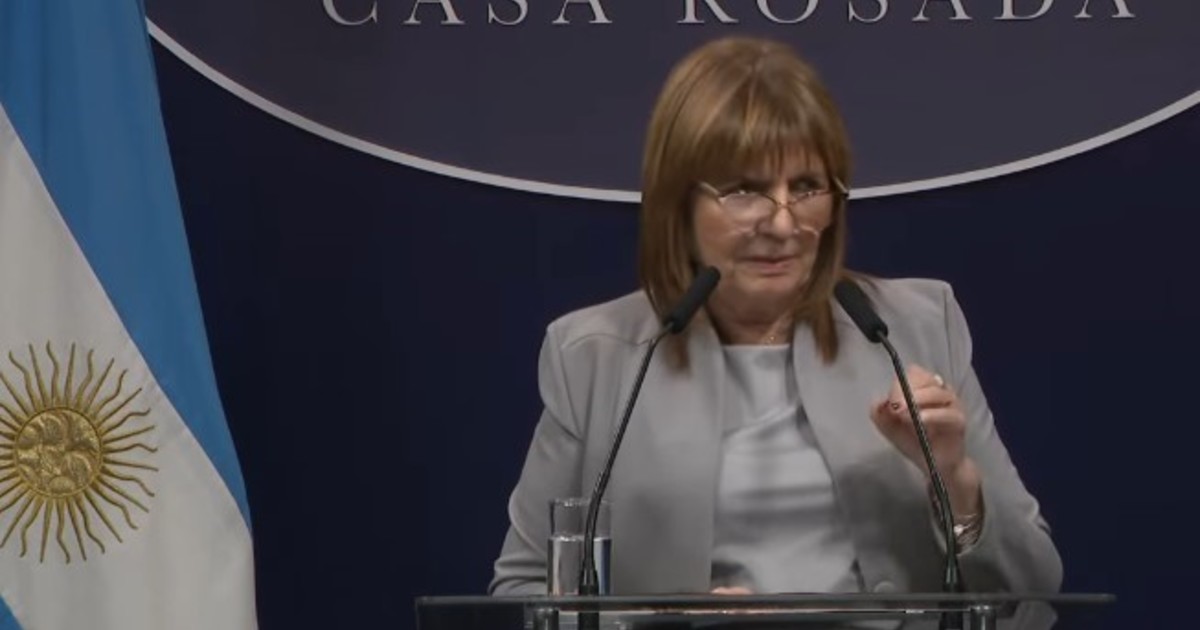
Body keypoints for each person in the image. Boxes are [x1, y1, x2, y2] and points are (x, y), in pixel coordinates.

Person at [488, 35, 1062, 599]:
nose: (784, 224)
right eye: (745, 191)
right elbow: (523, 588)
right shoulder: (593, 355)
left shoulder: (915, 326)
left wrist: (955, 480)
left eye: (807, 187)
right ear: (677, 203)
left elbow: (1035, 585)